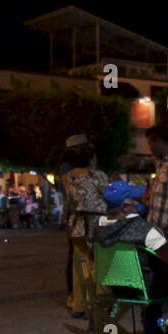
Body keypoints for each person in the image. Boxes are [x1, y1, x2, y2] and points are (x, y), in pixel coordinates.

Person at [97, 181, 168, 334]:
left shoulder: (98, 231)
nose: (143, 202)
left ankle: (153, 333)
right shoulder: (146, 231)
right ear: (126, 207)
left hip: (117, 287)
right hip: (146, 288)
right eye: (137, 200)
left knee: (150, 275)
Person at [62, 135, 109, 319]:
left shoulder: (68, 177)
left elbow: (70, 201)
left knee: (79, 266)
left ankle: (79, 305)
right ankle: (98, 303)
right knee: (97, 264)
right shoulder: (98, 176)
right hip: (97, 225)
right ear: (91, 159)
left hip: (77, 225)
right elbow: (108, 196)